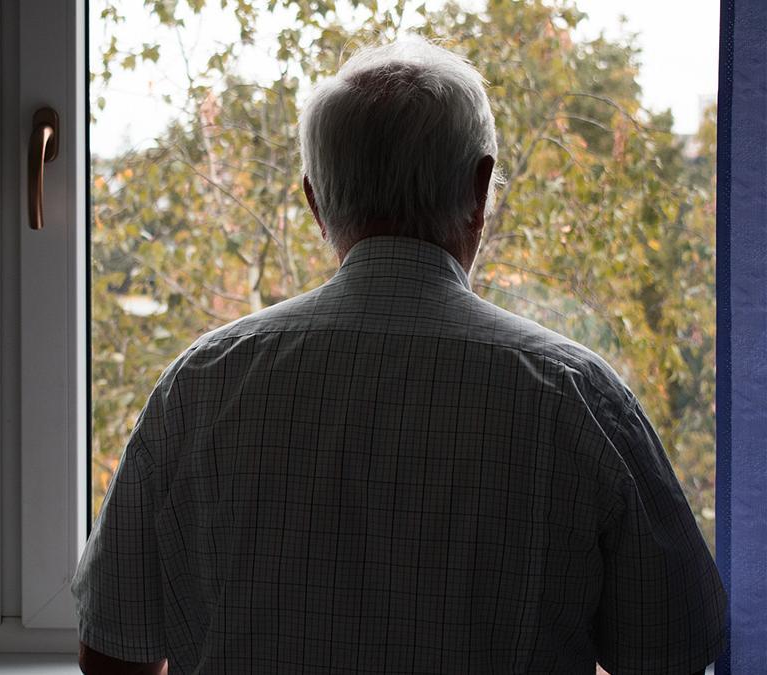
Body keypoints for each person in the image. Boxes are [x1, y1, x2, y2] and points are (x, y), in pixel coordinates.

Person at [72, 38, 727, 675]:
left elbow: (112, 648)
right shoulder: (579, 396)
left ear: (313, 200)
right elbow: (670, 650)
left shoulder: (203, 384)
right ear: (481, 187)